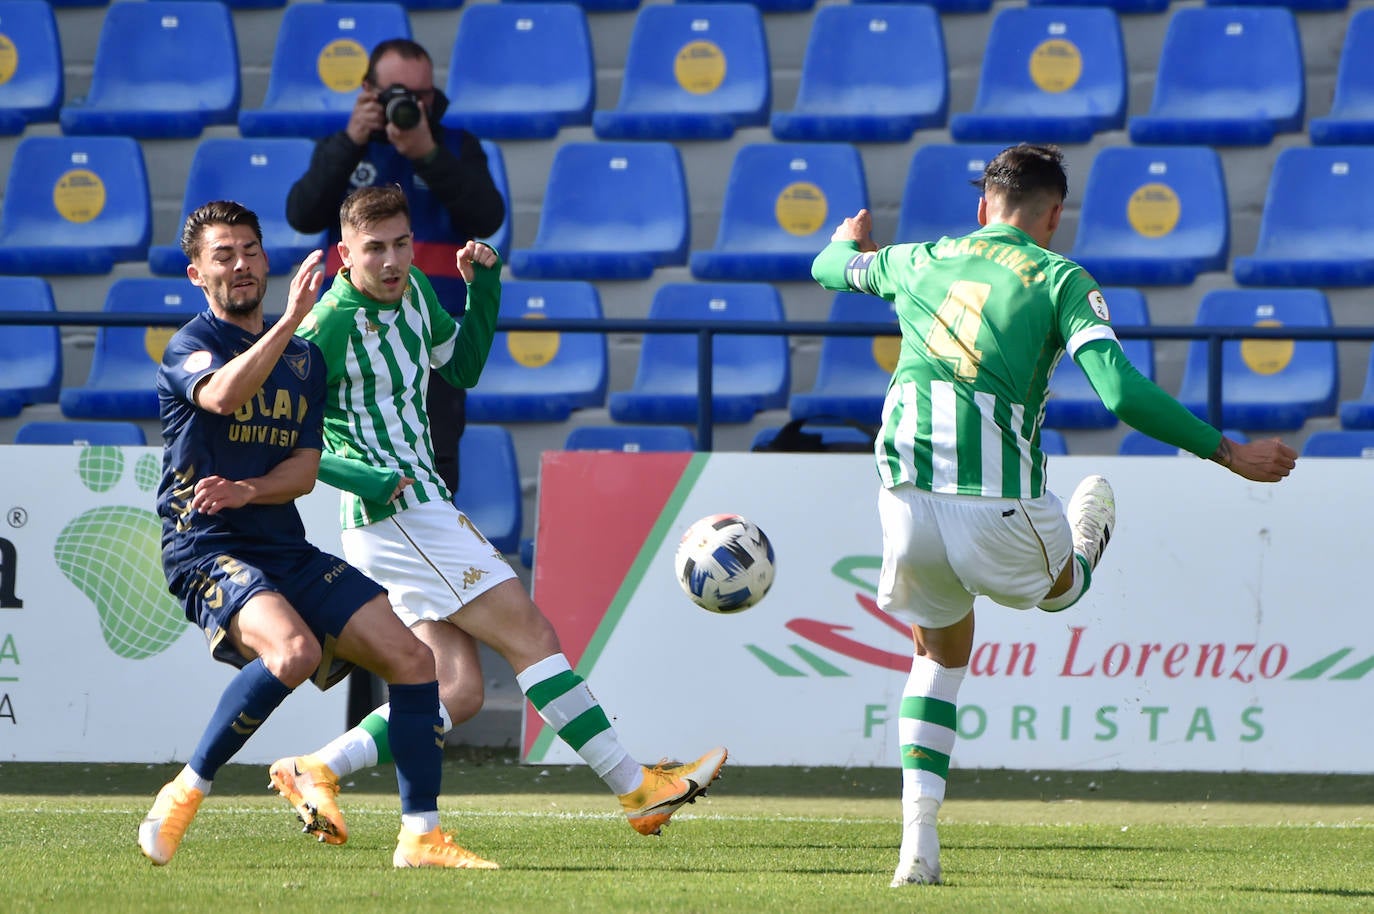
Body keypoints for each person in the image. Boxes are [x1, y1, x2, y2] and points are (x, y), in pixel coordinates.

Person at [810, 143, 1298, 887]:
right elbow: (1122, 395)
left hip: (903, 498)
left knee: (938, 657)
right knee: (1063, 588)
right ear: (1053, 216)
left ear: (983, 207)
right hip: (997, 505)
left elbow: (826, 268)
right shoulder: (1060, 277)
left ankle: (918, 847)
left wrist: (851, 239)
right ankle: (1085, 539)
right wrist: (1227, 453)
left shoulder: (919, 259)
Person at [268, 185, 727, 846]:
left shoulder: (418, 291)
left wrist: (484, 289)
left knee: (456, 688)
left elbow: (463, 366)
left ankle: (318, 768)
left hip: (417, 509)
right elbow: (287, 438)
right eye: (375, 250)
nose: (393, 261)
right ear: (346, 253)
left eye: (401, 244)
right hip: (397, 515)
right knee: (532, 637)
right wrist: (364, 475)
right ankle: (637, 788)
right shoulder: (328, 324)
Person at [140, 200, 497, 870]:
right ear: (197, 273)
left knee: (416, 664)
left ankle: (421, 835)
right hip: (206, 546)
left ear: (265, 258)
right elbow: (222, 397)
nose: (240, 264)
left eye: (249, 249)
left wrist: (248, 489)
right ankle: (187, 788)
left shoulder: (303, 361)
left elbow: (305, 470)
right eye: (223, 255)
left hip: (282, 542)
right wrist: (291, 322)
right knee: (295, 652)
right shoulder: (192, 347)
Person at [285, 37, 505, 496]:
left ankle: (437, 533)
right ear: (368, 91)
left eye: (422, 95)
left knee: (438, 454)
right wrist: (350, 141)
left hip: (431, 329)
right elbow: (301, 214)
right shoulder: (344, 146)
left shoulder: (456, 145)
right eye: (397, 94)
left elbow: (488, 217)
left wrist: (428, 152)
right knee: (348, 448)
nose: (412, 104)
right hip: (353, 335)